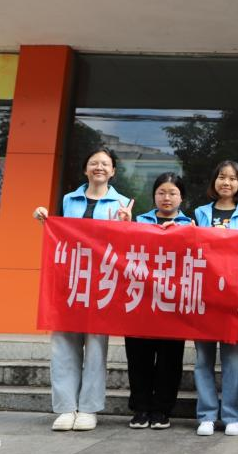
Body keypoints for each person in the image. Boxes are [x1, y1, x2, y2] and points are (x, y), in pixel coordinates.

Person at [33, 146, 133, 432]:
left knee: (96, 348)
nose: (99, 167)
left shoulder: (123, 203)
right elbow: (59, 235)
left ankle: (88, 409)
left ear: (113, 171)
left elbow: (127, 247)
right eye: (94, 163)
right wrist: (43, 217)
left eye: (105, 163)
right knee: (63, 345)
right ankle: (66, 408)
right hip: (69, 282)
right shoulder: (68, 199)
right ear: (85, 169)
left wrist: (126, 225)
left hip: (101, 285)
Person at [192, 160, 238, 437]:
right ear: (214, 181)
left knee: (232, 360)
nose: (226, 182)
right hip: (204, 294)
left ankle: (232, 416)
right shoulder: (200, 213)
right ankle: (207, 414)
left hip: (233, 296)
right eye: (221, 177)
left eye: (232, 178)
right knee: (203, 359)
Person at [128, 172, 192, 431]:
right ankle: (140, 409)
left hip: (173, 302)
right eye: (161, 192)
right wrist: (124, 225)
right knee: (138, 356)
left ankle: (162, 410)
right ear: (154, 195)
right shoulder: (138, 221)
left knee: (170, 359)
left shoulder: (191, 224)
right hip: (141, 299)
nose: (167, 197)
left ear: (182, 197)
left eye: (173, 193)